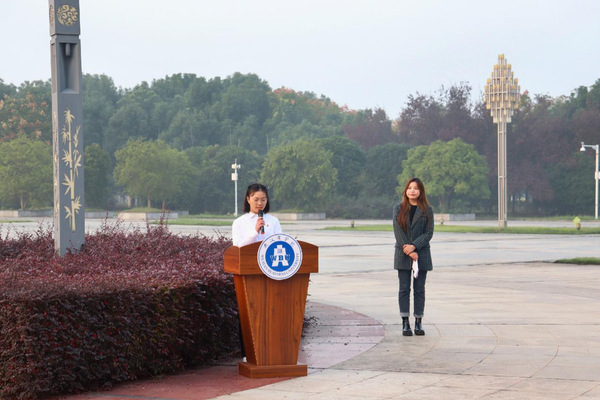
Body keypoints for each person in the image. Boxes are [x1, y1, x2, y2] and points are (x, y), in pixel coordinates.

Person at [393, 177, 434, 336]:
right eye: (410, 188)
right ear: (405, 190)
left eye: (416, 188)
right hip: (403, 253)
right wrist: (409, 250)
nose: (412, 191)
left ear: (420, 191)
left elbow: (428, 233)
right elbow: (397, 230)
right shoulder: (398, 208)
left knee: (419, 289)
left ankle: (418, 322)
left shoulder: (427, 210)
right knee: (404, 289)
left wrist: (415, 246)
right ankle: (405, 323)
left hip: (421, 254)